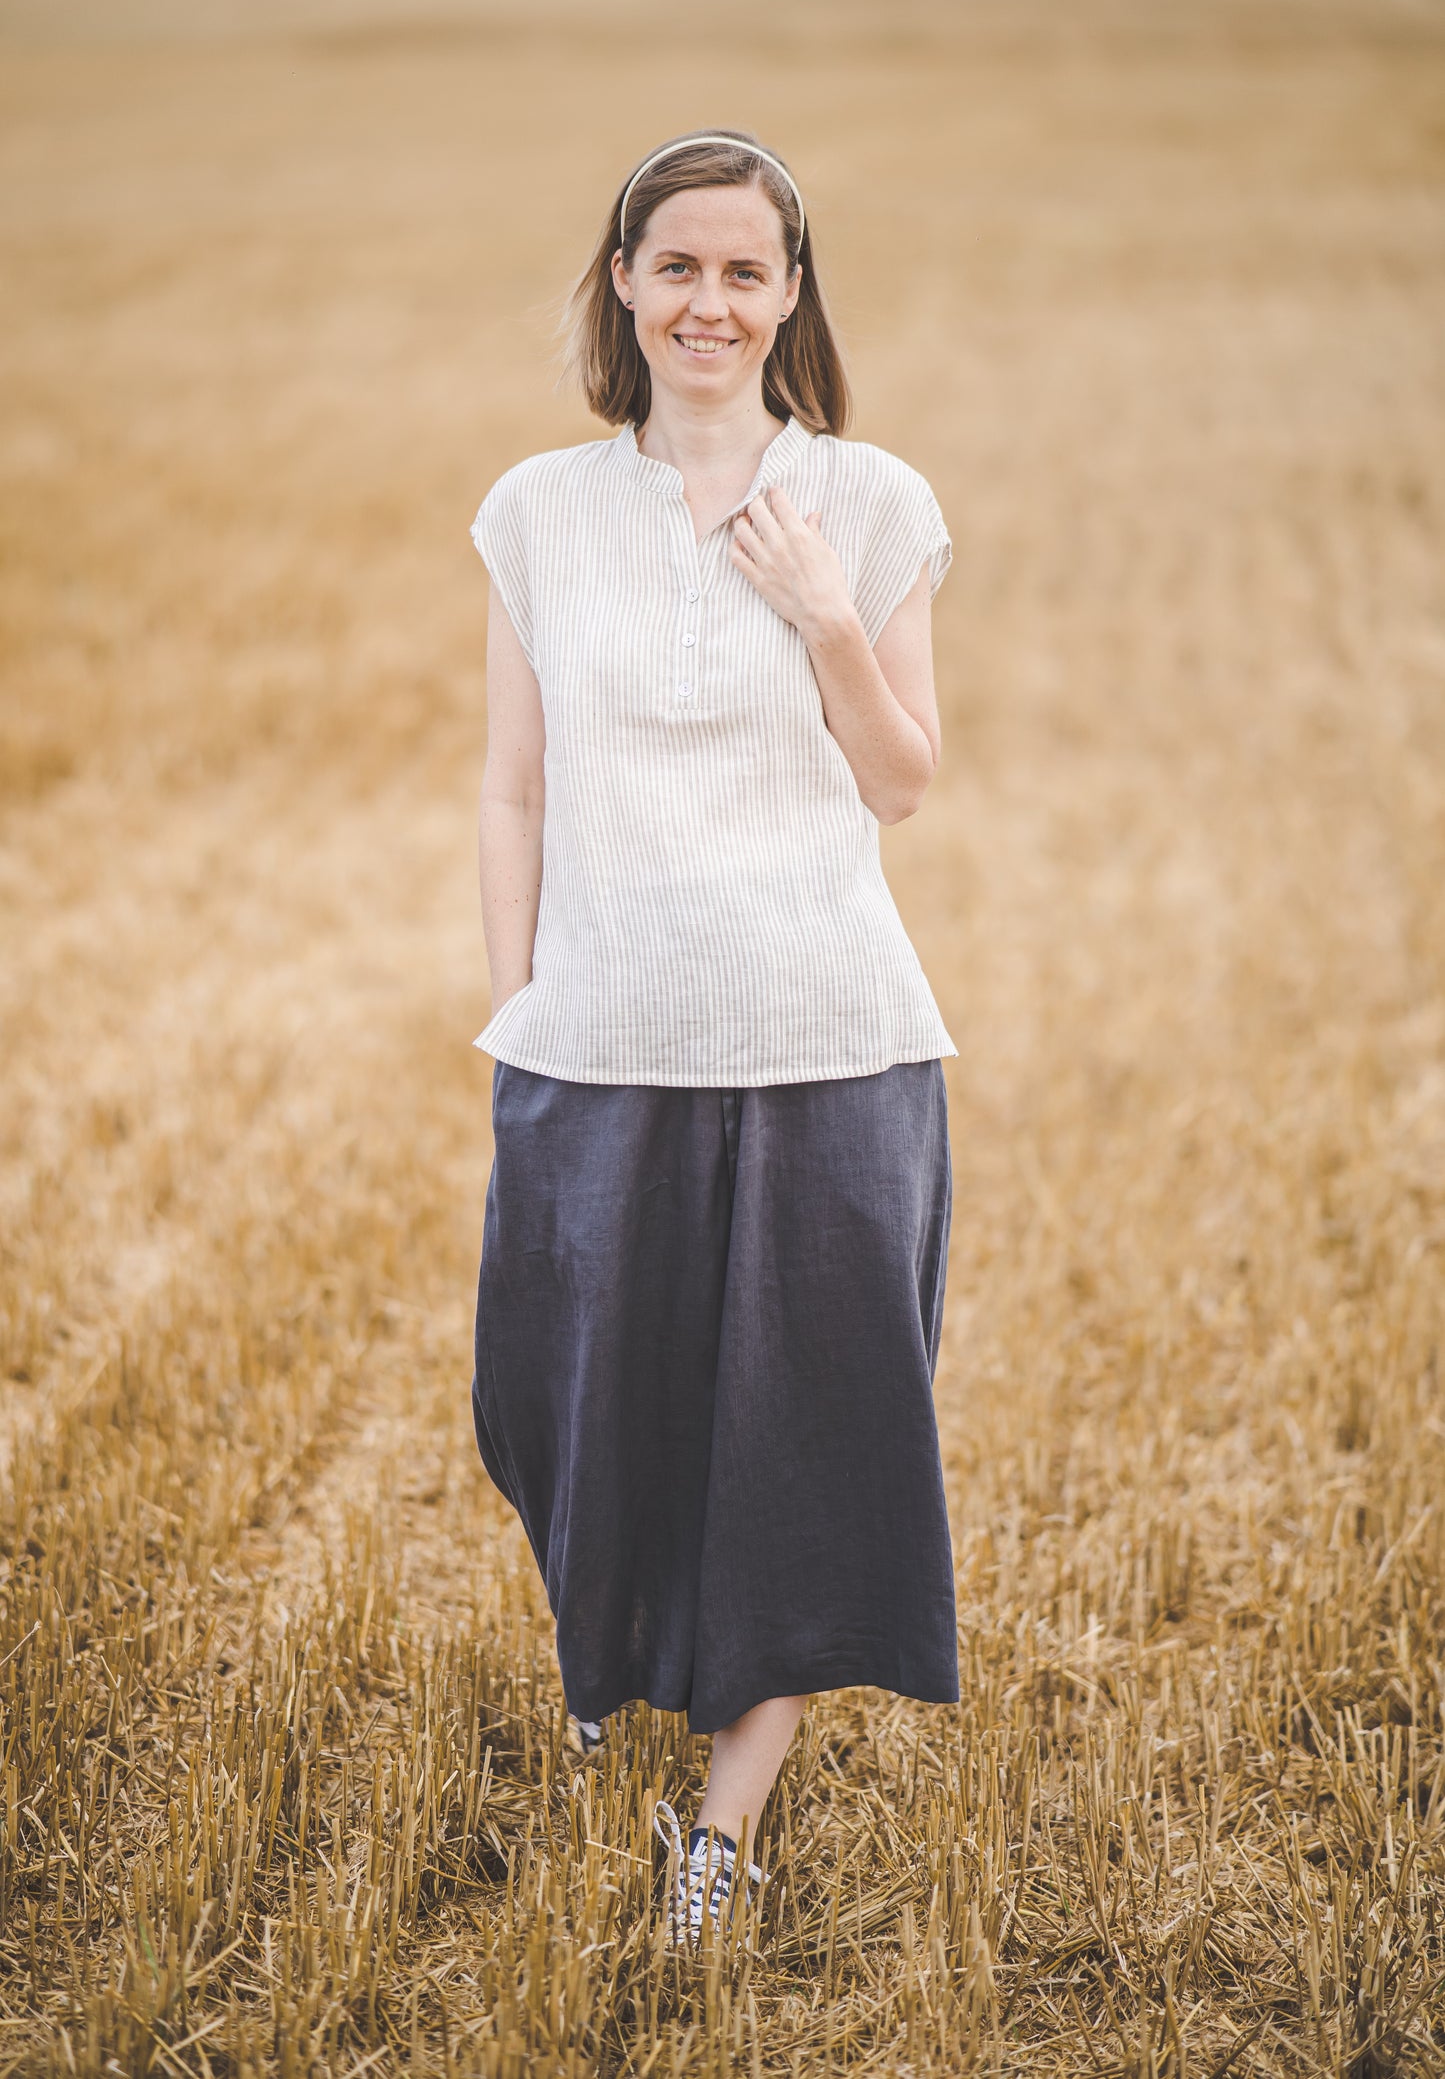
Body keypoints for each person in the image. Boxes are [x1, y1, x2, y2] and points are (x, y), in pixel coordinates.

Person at [468, 129, 959, 1946]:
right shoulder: (535, 511)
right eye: (678, 265)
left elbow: (903, 784)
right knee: (567, 1404)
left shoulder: (875, 501)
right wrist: (517, 1005)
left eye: (746, 271)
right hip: (595, 1039)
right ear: (622, 281)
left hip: (831, 1038)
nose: (710, 301)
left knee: (808, 1438)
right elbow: (513, 791)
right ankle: (627, 1652)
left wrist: (826, 607)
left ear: (790, 296)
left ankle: (721, 1833)